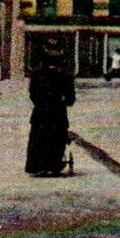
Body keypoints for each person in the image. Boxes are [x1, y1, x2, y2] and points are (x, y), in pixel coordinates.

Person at [25, 41, 77, 176]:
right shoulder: (65, 75)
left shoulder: (36, 74)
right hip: (58, 113)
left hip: (40, 113)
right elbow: (70, 99)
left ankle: (39, 165)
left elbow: (33, 95)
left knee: (39, 139)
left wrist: (42, 102)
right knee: (57, 139)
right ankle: (54, 164)